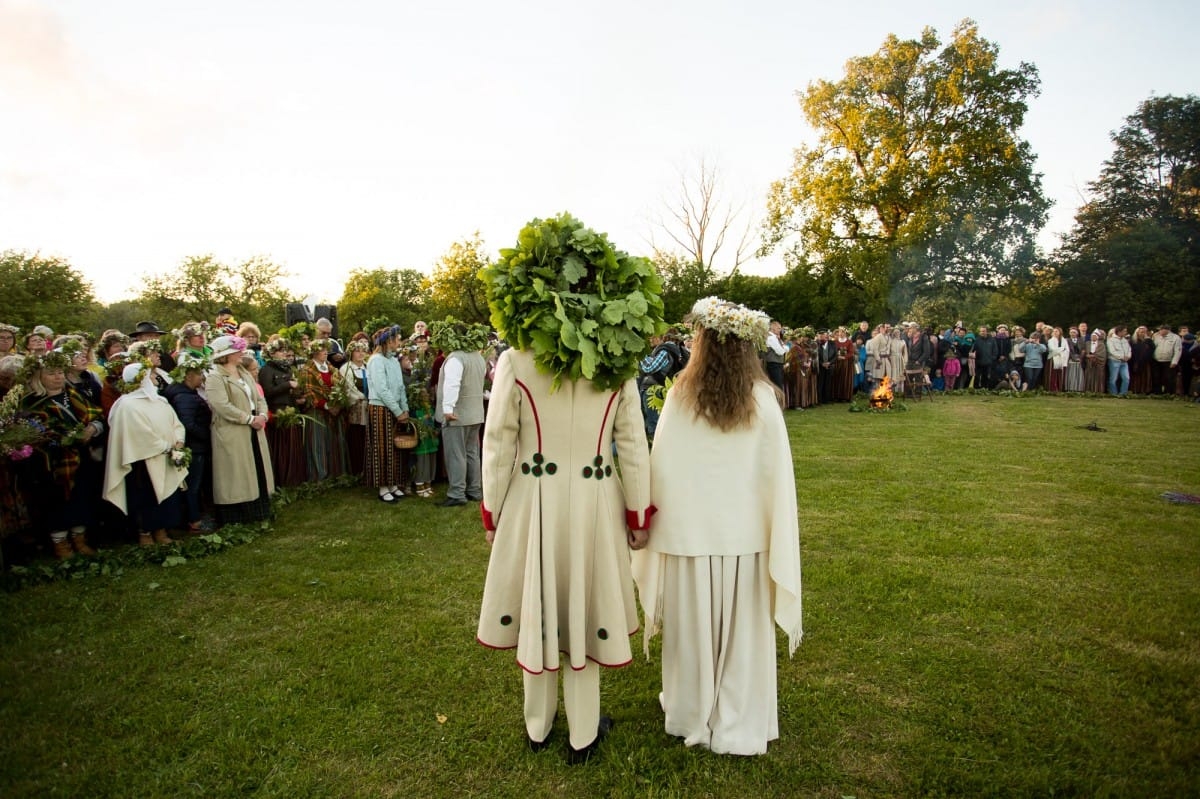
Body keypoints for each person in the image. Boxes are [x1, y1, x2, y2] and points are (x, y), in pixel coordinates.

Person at [476, 215, 656, 765]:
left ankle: (539, 726)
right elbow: (633, 445)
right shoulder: (619, 364)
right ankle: (581, 730)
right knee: (587, 602)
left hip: (533, 500)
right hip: (596, 499)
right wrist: (637, 513)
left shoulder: (515, 358)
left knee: (542, 603)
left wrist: (492, 510)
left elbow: (498, 443)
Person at [632, 296, 802, 756]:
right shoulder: (764, 400)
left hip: (691, 538)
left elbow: (661, 466)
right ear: (748, 348)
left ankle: (690, 709)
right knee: (743, 635)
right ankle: (739, 714)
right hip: (745, 541)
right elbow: (776, 477)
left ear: (701, 344)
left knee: (692, 632)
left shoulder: (680, 397)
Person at [19, 351, 106, 557]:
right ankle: (61, 543)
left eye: (60, 372)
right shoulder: (31, 403)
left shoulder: (73, 394)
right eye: (51, 373)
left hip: (82, 456)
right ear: (39, 377)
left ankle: (79, 539)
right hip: (52, 462)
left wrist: (92, 429)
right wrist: (64, 439)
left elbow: (97, 414)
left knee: (81, 497)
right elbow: (32, 432)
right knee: (57, 502)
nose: (58, 377)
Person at [103, 361, 188, 546]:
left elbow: (175, 423)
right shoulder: (127, 405)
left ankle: (161, 530)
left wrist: (178, 440)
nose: (154, 378)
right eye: (150, 375)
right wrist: (165, 446)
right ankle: (145, 533)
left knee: (166, 494)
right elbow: (139, 434)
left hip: (166, 456)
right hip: (143, 460)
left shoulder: (161, 401)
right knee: (146, 497)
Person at [205, 335, 274, 525]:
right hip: (233, 430)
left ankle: (259, 510)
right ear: (226, 355)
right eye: (237, 350)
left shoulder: (243, 372)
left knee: (255, 467)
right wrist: (249, 418)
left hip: (254, 425)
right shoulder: (215, 377)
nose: (241, 353)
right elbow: (221, 405)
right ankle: (237, 516)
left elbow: (259, 397)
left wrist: (262, 414)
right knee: (237, 472)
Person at [431, 321, 488, 507]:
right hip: (475, 413)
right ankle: (475, 489)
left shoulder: (455, 358)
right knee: (472, 453)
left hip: (457, 414)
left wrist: (448, 409)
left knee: (457, 454)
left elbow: (452, 384)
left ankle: (457, 493)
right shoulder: (478, 357)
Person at [164, 353, 213, 532]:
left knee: (194, 484)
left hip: (197, 445)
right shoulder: (184, 397)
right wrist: (208, 435)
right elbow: (188, 424)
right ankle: (194, 521)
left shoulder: (186, 393)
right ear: (188, 376)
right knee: (193, 485)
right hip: (195, 447)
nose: (202, 377)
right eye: (199, 374)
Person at [365, 325, 409, 502]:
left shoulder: (393, 360)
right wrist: (398, 410)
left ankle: (393, 483)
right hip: (380, 408)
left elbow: (400, 386)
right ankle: (383, 487)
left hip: (394, 408)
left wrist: (404, 407)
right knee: (381, 447)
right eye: (397, 339)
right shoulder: (376, 360)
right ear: (388, 341)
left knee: (394, 447)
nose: (399, 342)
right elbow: (382, 389)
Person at [338, 337, 371, 478]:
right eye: (357, 351)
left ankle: (368, 467)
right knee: (357, 437)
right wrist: (363, 398)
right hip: (356, 409)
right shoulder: (346, 368)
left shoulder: (367, 366)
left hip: (370, 406)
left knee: (368, 437)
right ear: (351, 353)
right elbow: (349, 389)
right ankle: (357, 470)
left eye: (362, 351)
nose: (360, 354)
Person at [1106, 325, 1132, 396]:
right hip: (1114, 361)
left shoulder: (1125, 340)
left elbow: (1129, 349)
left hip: (1124, 362)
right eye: (1124, 331)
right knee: (1113, 378)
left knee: (1126, 378)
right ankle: (1113, 393)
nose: (1126, 332)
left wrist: (1128, 356)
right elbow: (1112, 351)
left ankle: (1123, 393)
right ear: (1119, 332)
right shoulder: (1111, 340)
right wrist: (1121, 357)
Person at [763, 319, 787, 395]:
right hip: (773, 364)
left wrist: (783, 347)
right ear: (773, 328)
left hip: (777, 363)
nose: (780, 330)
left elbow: (787, 348)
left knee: (778, 384)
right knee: (777, 385)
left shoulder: (776, 338)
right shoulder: (771, 338)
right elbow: (780, 351)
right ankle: (778, 404)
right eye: (778, 328)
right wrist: (783, 348)